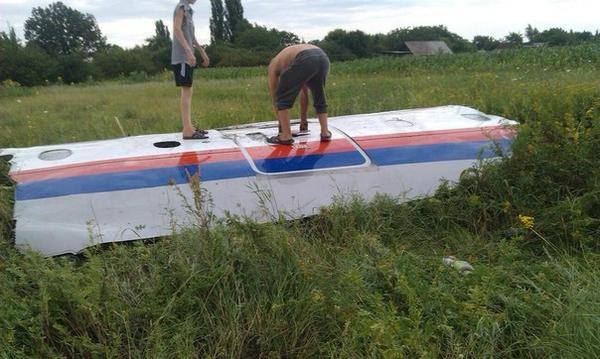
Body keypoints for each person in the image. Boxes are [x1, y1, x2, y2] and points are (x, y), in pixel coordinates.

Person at [267, 44, 331, 145]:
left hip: (304, 57)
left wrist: (281, 127)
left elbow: (276, 96)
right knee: (319, 93)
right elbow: (304, 92)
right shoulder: (290, 58)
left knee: (282, 98)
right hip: (322, 56)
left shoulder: (273, 66)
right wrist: (303, 121)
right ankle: (325, 132)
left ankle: (286, 136)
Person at [171, 0, 210, 140]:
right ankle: (187, 130)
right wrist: (188, 51)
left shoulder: (189, 10)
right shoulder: (181, 7)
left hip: (188, 57)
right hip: (182, 57)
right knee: (186, 90)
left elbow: (191, 37)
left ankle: (190, 127)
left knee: (189, 89)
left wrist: (202, 52)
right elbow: (176, 29)